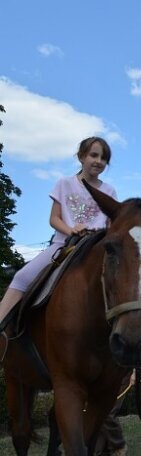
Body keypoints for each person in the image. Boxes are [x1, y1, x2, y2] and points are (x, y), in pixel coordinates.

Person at [0, 137, 116, 327]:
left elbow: (111, 224)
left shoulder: (109, 190)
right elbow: (54, 218)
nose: (98, 161)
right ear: (81, 157)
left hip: (95, 248)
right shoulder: (65, 184)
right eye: (93, 155)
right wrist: (71, 230)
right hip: (63, 245)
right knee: (22, 277)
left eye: (104, 158)